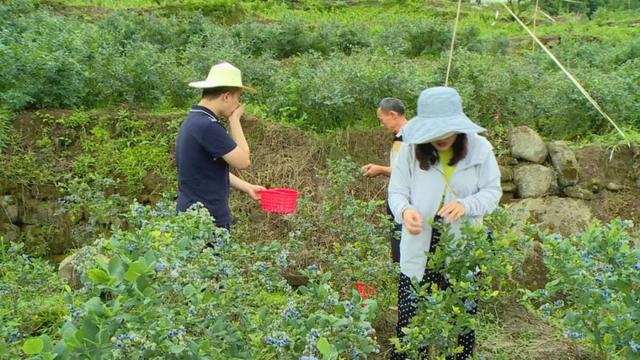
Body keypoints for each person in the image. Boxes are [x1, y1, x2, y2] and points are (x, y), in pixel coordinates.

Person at [388, 87, 502, 359]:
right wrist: (405, 212)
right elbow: (397, 191)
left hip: (461, 247)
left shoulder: (480, 149)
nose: (440, 138)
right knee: (411, 323)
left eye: (446, 130)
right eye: (433, 131)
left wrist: (466, 205)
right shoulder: (410, 149)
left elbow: (492, 191)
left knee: (459, 324)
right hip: (419, 245)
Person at [175, 62, 265, 230]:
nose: (237, 104)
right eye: (238, 98)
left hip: (192, 215)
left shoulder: (194, 120)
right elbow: (243, 161)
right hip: (206, 220)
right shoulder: (207, 126)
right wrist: (235, 120)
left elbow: (209, 169)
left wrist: (247, 187)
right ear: (226, 96)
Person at [361, 97, 408, 263]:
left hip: (408, 203)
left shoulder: (412, 138)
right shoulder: (399, 137)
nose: (381, 125)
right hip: (397, 200)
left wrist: (380, 170)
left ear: (393, 114)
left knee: (404, 247)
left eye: (382, 120)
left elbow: (409, 173)